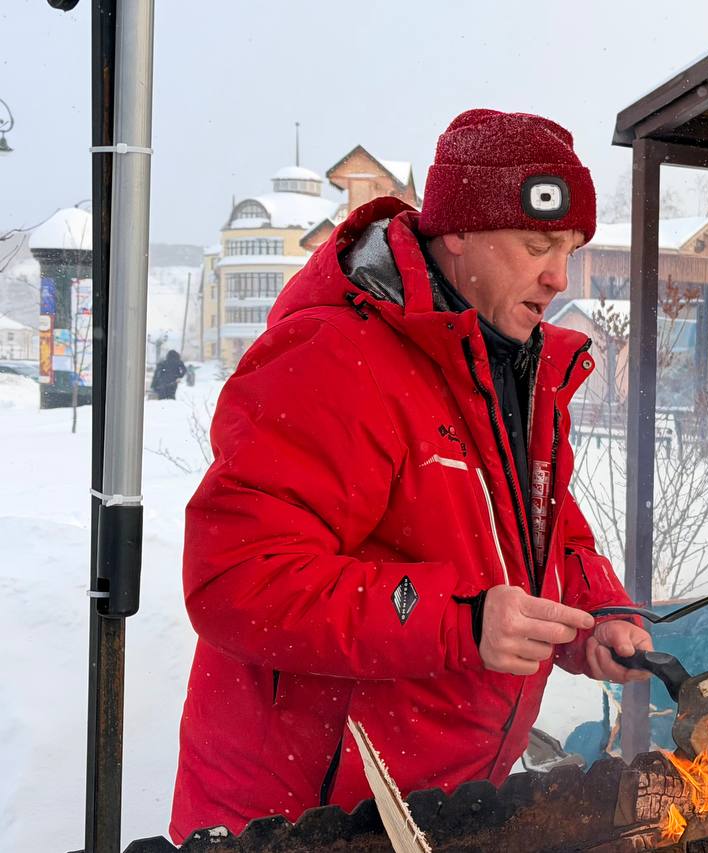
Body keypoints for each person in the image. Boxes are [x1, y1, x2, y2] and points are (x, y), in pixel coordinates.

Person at [170, 109, 652, 842]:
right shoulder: (334, 355)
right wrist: (459, 621)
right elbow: (237, 579)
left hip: (443, 806)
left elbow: (545, 537)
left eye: (569, 250)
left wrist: (594, 616)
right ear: (457, 232)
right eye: (537, 246)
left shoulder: (517, 364)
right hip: (303, 820)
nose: (559, 277)